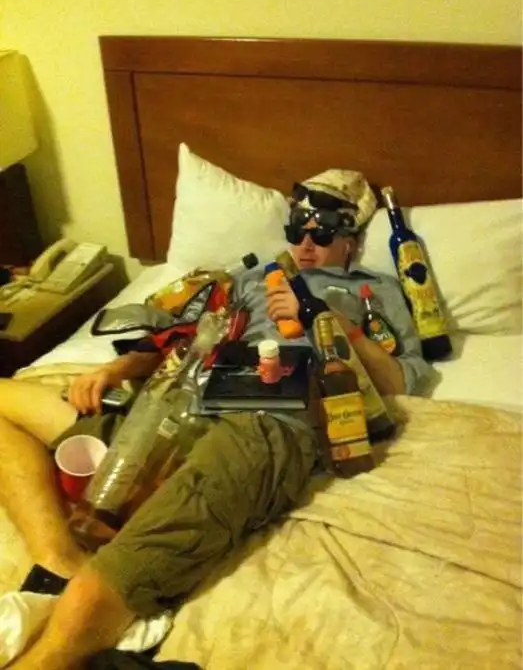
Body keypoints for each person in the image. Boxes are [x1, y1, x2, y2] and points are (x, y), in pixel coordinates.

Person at [0, 169, 430, 670]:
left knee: (127, 566)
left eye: (324, 233)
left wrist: (325, 319)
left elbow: (404, 380)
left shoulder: (374, 291)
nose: (307, 244)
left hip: (271, 417)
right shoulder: (251, 279)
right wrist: (116, 369)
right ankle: (58, 557)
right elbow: (186, 334)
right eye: (298, 230)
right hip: (183, 400)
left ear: (350, 241)